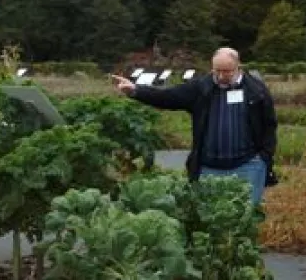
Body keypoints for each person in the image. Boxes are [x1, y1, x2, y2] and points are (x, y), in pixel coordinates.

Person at [111, 47, 278, 205]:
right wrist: (136, 91)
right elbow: (168, 97)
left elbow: (270, 125)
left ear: (238, 68)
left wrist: (264, 157)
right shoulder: (200, 87)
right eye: (216, 70)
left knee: (246, 219)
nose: (220, 76)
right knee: (210, 219)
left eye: (226, 71)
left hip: (248, 166)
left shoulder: (256, 91)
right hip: (209, 169)